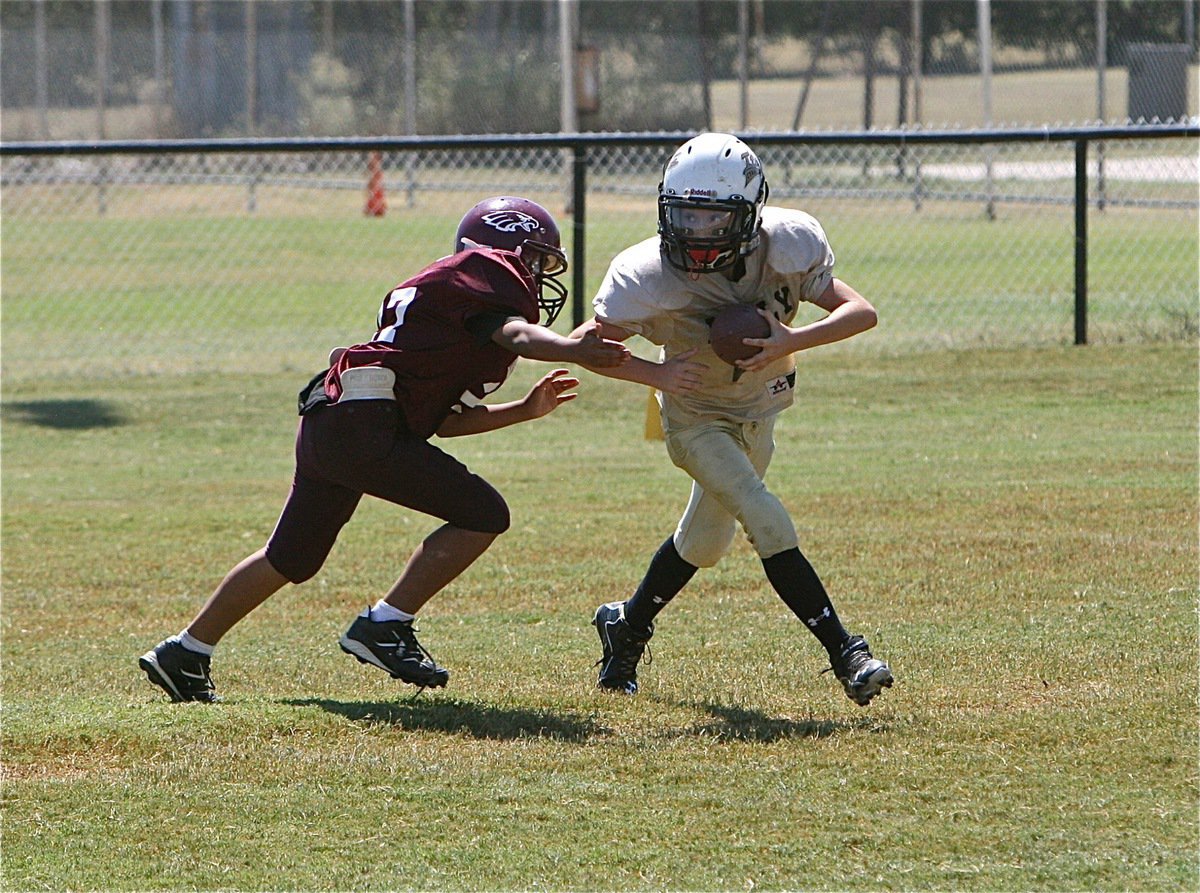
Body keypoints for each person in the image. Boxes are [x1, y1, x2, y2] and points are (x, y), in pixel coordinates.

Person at [139, 196, 630, 703]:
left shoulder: (453, 309)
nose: (535, 274)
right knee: (483, 513)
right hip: (364, 425)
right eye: (533, 259)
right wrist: (571, 349)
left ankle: (185, 651)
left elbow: (448, 423)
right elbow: (515, 332)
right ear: (501, 248)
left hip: (336, 421)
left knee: (291, 556)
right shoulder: (487, 274)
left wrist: (524, 410)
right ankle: (385, 625)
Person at [570, 133, 894, 706]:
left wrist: (793, 340)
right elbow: (586, 346)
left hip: (758, 411)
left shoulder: (788, 244)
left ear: (749, 212)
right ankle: (849, 654)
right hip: (695, 421)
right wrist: (657, 377)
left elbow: (860, 312)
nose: (697, 230)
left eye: (714, 216)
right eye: (686, 214)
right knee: (765, 517)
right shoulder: (647, 273)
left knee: (704, 543)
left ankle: (627, 624)